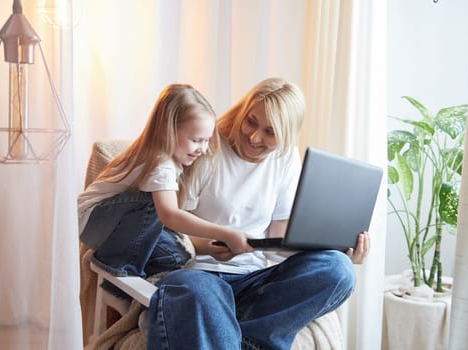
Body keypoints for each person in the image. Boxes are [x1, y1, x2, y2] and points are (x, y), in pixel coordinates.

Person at [146, 77, 370, 349]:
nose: (254, 137)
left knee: (339, 270)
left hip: (251, 282)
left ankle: (240, 334)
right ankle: (239, 331)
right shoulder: (205, 145)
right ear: (244, 109)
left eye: (270, 132)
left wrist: (334, 248)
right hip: (200, 273)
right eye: (251, 121)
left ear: (287, 135)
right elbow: (169, 234)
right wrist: (213, 246)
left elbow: (277, 241)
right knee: (197, 291)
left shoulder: (285, 158)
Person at [77, 83, 253, 278]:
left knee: (177, 256)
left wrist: (210, 247)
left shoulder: (174, 162)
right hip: (93, 220)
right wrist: (225, 233)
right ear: (168, 131)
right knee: (154, 205)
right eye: (196, 140)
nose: (203, 149)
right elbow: (170, 215)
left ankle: (132, 261)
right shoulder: (160, 164)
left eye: (206, 140)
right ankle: (119, 264)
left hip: (113, 225)